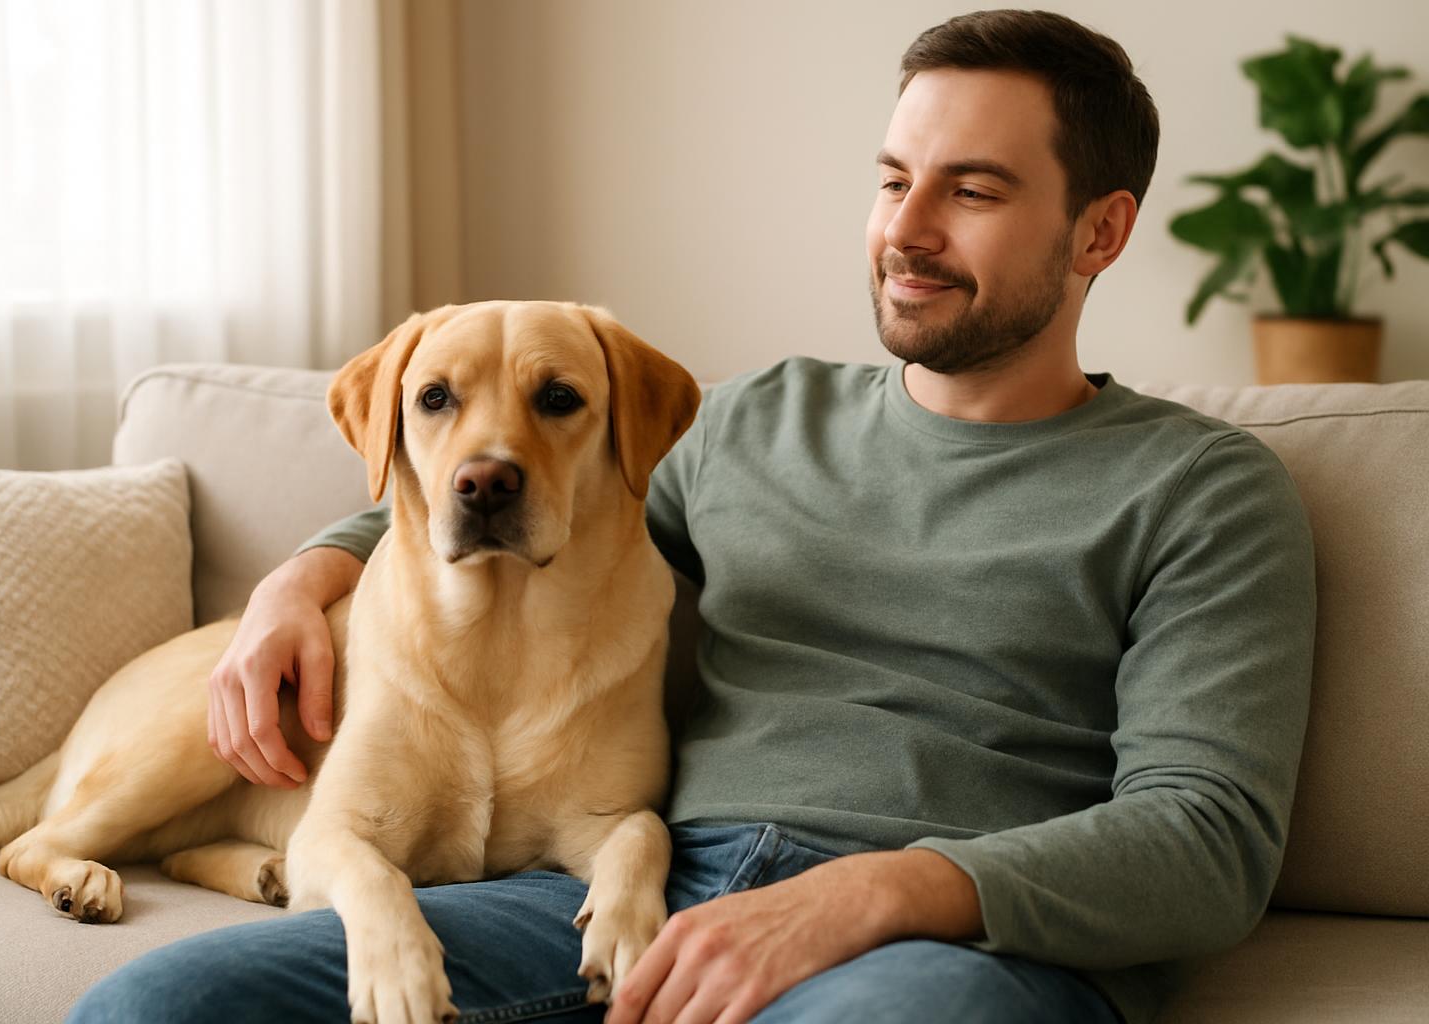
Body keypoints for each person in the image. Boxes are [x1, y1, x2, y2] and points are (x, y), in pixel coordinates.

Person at [69, 10, 1316, 1024]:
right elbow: (519, 505)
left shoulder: (1202, 490)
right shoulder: (750, 422)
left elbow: (1206, 844)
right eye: (893, 180)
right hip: (650, 894)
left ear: (1101, 228)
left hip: (944, 949)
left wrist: (880, 893)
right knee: (155, 1007)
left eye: (972, 191)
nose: (907, 231)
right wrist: (298, 585)